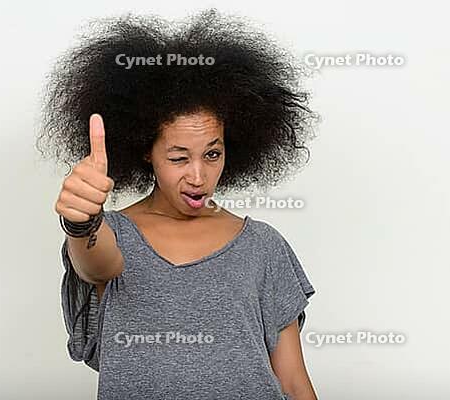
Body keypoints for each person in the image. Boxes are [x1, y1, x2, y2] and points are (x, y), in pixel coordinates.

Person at [36, 8, 320, 400]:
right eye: (178, 157)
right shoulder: (114, 233)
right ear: (145, 152)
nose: (198, 176)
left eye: (213, 154)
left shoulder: (263, 246)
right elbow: (97, 263)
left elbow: (292, 381)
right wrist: (83, 222)